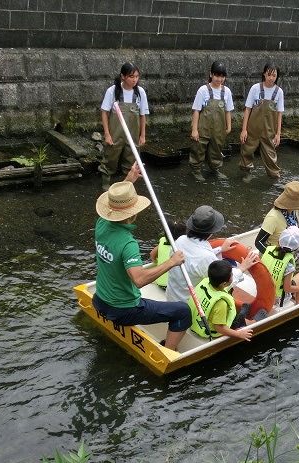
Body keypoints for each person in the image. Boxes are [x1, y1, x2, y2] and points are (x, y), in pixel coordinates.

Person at [91, 164, 191, 351]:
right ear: (133, 212)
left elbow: (116, 204)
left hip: (100, 300)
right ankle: (169, 351)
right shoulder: (128, 243)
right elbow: (139, 280)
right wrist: (172, 262)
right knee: (183, 311)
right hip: (123, 310)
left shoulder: (102, 223)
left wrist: (129, 180)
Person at [166, 205, 259, 304]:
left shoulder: (180, 240)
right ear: (212, 231)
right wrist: (242, 268)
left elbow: (196, 257)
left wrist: (220, 249)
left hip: (172, 296)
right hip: (189, 304)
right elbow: (223, 282)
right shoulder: (206, 257)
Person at [99, 62, 149, 191]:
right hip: (115, 132)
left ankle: (128, 186)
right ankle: (106, 182)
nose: (135, 80)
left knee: (131, 159)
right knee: (110, 157)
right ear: (123, 76)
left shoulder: (140, 92)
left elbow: (143, 115)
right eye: (131, 77)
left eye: (137, 77)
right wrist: (107, 134)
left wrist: (142, 135)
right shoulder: (113, 91)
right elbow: (104, 112)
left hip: (133, 134)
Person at [255, 180, 299, 274]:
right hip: (275, 253)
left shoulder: (294, 212)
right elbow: (258, 242)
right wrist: (276, 257)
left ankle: (288, 280)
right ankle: (285, 282)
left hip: (289, 251)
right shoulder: (273, 217)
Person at [189, 60, 234, 182]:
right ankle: (196, 169)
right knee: (199, 148)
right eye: (217, 75)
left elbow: (228, 111)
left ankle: (215, 169)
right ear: (211, 74)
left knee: (217, 149)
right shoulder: (203, 90)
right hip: (203, 127)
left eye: (222, 76)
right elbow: (196, 110)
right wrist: (194, 129)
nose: (219, 79)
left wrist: (229, 127)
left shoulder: (227, 92)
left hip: (219, 128)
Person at [239, 63, 284, 183]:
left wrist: (278, 134)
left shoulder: (279, 92)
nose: (271, 78)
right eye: (269, 74)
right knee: (247, 151)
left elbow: (279, 113)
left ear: (277, 76)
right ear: (264, 74)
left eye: (274, 75)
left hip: (269, 131)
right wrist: (244, 130)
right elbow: (248, 109)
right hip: (252, 129)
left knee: (271, 156)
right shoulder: (255, 88)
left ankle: (275, 177)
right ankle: (246, 172)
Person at [189, 260, 254, 341]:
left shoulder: (205, 283)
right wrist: (239, 334)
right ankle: (249, 319)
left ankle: (243, 312)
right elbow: (219, 328)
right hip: (213, 329)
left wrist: (242, 268)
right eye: (232, 275)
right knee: (244, 321)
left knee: (242, 310)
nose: (233, 275)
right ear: (223, 283)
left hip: (197, 323)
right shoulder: (221, 304)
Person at [261, 226, 299, 306]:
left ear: (279, 241)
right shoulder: (289, 266)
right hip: (277, 298)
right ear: (297, 247)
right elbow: (287, 289)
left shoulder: (268, 251)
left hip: (263, 291)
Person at [149, 219, 186, 288]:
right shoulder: (183, 246)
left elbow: (152, 254)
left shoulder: (162, 241)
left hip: (159, 283)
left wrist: (157, 262)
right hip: (172, 287)